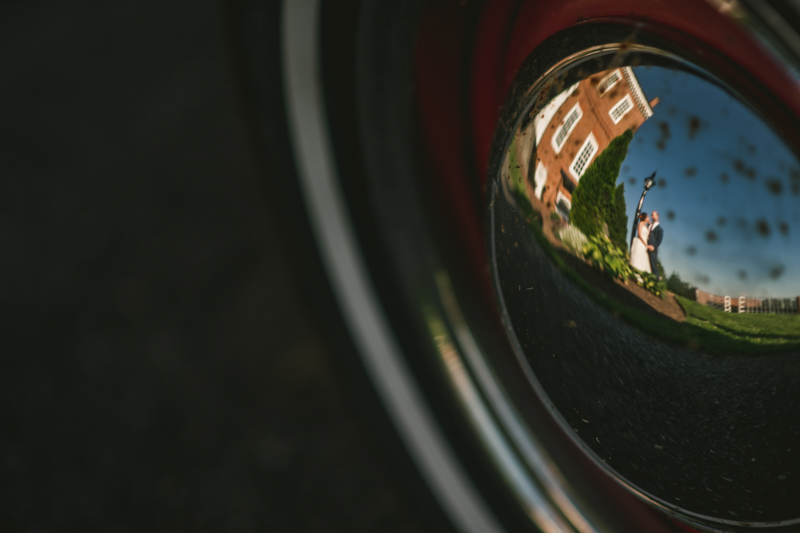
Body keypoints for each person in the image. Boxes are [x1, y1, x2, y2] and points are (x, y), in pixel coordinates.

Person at [648, 210, 664, 279]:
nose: (651, 217)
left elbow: (659, 241)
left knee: (653, 264)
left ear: (657, 216)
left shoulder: (660, 230)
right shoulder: (649, 225)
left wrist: (653, 246)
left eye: (653, 215)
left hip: (653, 249)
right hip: (646, 246)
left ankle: (657, 280)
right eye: (651, 215)